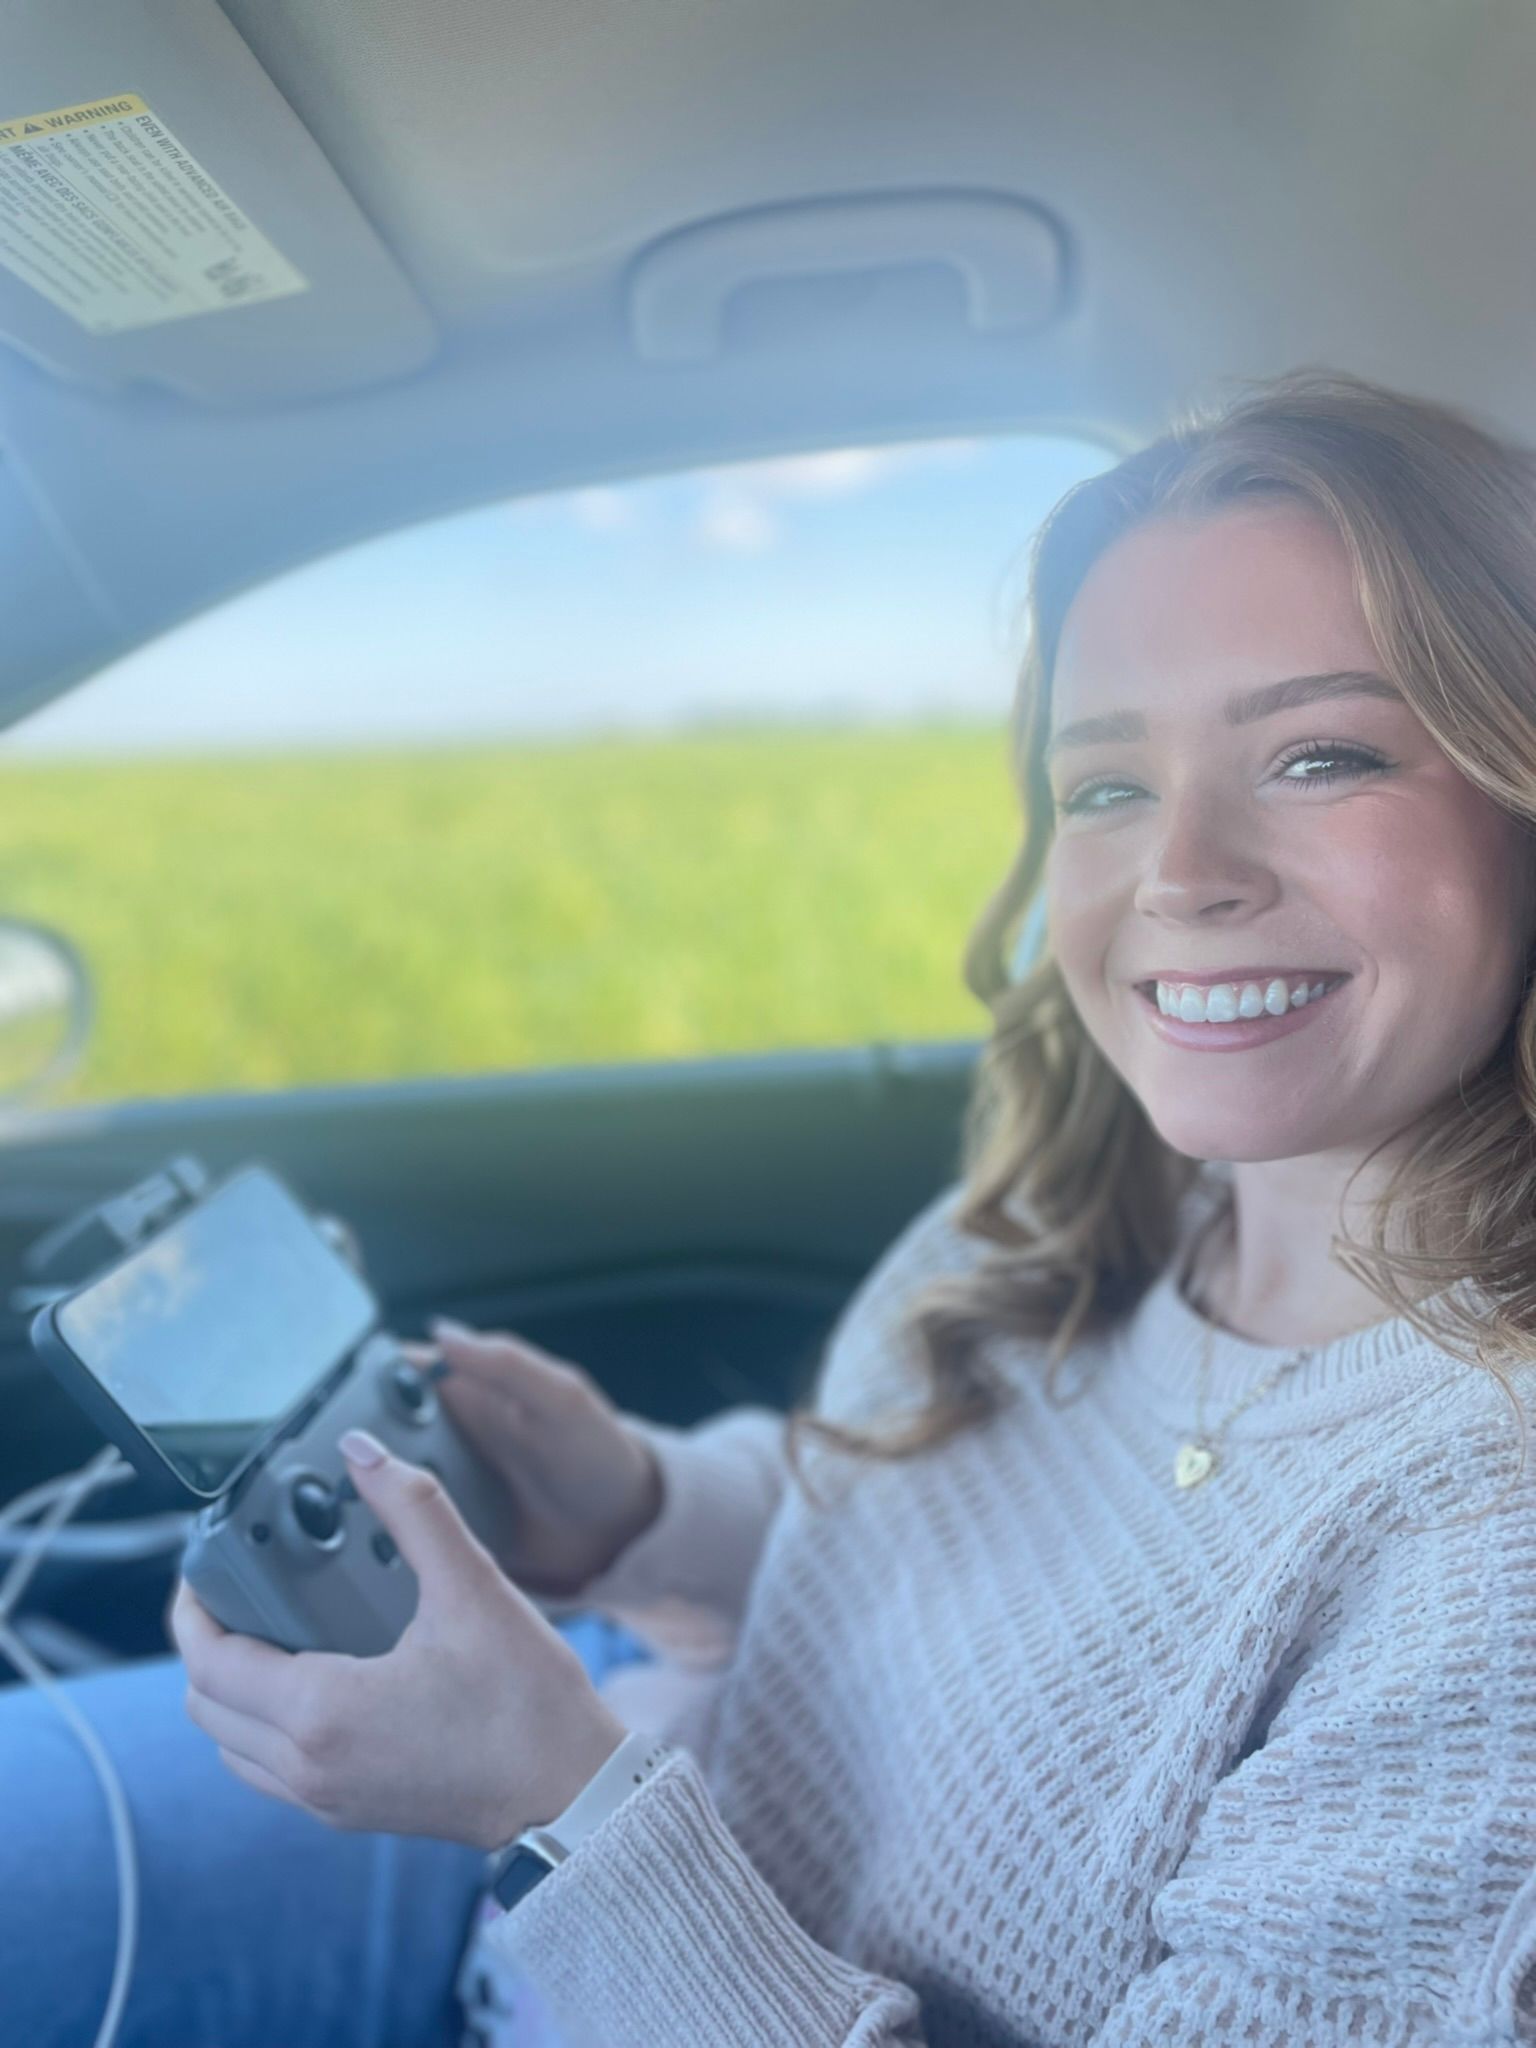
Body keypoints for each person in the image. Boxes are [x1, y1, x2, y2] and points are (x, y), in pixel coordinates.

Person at [7, 366, 1536, 2047]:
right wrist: (644, 1512)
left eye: (1322, 755)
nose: (1180, 872)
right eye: (1106, 785)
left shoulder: (1490, 1569)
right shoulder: (1099, 1200)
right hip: (601, 1824)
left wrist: (558, 1809)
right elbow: (912, 1559)